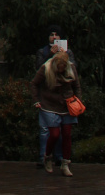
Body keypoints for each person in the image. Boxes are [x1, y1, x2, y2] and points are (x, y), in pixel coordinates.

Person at [31, 47, 80, 175]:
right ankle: (47, 157)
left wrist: (78, 101)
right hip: (49, 104)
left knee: (67, 134)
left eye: (63, 67)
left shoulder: (71, 68)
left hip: (67, 104)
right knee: (54, 134)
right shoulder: (46, 69)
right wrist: (36, 100)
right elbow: (34, 83)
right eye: (59, 67)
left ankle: (65, 163)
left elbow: (76, 85)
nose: (61, 69)